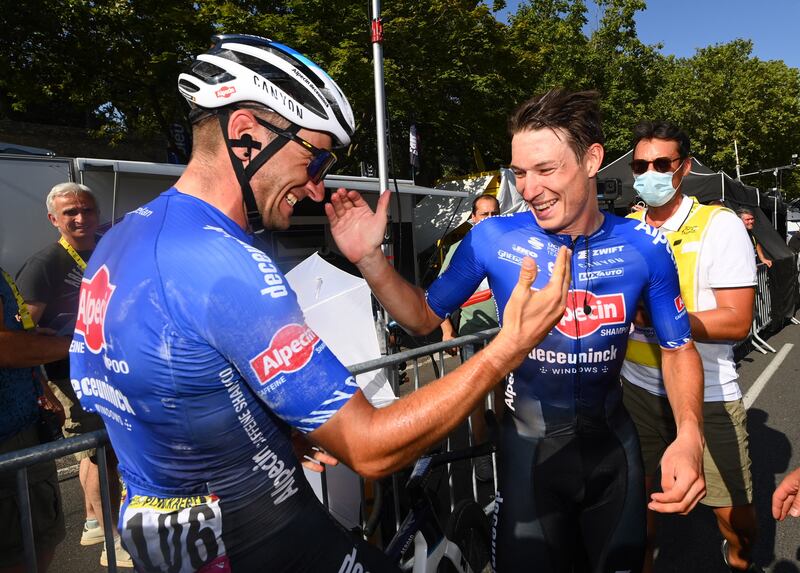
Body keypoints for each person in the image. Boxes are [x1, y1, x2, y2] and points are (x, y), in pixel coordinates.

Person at [68, 34, 571, 572]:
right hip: (269, 538)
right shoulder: (226, 263)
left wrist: (272, 431)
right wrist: (507, 348)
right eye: (315, 158)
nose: (316, 187)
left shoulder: (122, 239)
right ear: (245, 135)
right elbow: (369, 449)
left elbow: (156, 385)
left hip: (171, 536)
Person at [326, 88, 706, 573]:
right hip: (529, 457)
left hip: (614, 454)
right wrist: (371, 261)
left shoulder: (645, 245)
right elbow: (423, 316)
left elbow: (678, 348)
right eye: (519, 173)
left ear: (592, 160)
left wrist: (690, 434)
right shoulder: (492, 237)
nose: (528, 189)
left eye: (546, 170)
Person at [622, 121, 760, 572]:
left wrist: (663, 318)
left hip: (711, 394)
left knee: (737, 520)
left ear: (682, 168)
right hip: (637, 390)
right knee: (636, 518)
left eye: (662, 163)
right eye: (641, 165)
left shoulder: (718, 225)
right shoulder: (623, 229)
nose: (649, 173)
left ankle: (738, 557)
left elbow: (737, 320)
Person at [14, 182, 130, 568]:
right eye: (70, 214)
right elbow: (22, 332)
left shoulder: (103, 251)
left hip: (106, 367)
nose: (82, 219)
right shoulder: (46, 263)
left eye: (88, 211)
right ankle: (113, 542)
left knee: (91, 450)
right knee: (103, 453)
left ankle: (96, 522)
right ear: (53, 219)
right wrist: (41, 383)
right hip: (71, 373)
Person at [0, 265, 69, 573]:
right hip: (10, 441)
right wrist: (82, 346)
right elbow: (4, 348)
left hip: (21, 426)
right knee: (27, 550)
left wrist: (41, 388)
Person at [439, 193, 501, 481]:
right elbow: (439, 294)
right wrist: (447, 331)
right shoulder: (457, 249)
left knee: (504, 392)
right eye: (483, 214)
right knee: (476, 396)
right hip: (472, 335)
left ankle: (503, 448)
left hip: (505, 332)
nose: (488, 219)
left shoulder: (509, 244)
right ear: (473, 218)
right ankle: (481, 455)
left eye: (493, 214)